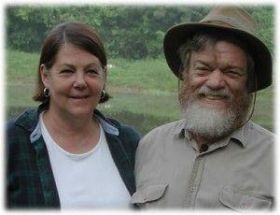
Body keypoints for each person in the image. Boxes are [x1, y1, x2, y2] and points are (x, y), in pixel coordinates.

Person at [131, 6, 274, 210]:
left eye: (231, 72)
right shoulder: (150, 146)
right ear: (184, 73)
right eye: (203, 69)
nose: (215, 82)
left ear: (249, 83)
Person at [6, 22, 140, 209]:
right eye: (67, 71)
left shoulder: (130, 143)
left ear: (104, 76)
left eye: (91, 71)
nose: (80, 82)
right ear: (45, 75)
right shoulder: (10, 143)